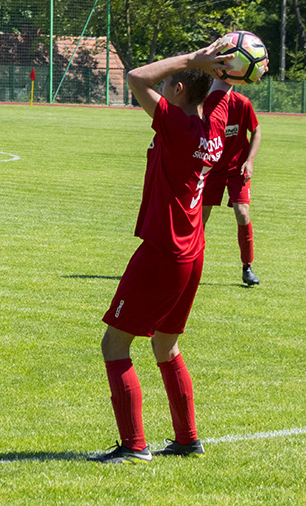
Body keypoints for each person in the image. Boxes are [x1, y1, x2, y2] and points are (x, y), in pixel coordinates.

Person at [87, 42, 235, 464]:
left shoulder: (178, 125)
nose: (163, 83)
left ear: (179, 89)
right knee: (166, 347)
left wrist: (192, 60)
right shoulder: (212, 124)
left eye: (170, 81)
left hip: (164, 251)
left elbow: (136, 77)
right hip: (191, 252)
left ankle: (134, 446)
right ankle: (187, 439)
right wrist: (221, 60)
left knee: (114, 344)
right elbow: (222, 87)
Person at [202, 91, 261, 285]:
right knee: (200, 219)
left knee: (242, 213)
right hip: (211, 168)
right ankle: (190, 263)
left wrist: (250, 161)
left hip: (238, 169)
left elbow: (256, 131)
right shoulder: (205, 102)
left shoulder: (242, 103)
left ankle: (247, 267)